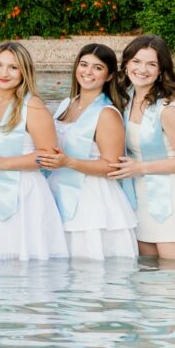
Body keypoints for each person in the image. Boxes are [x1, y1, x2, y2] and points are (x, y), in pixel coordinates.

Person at [0, 42, 67, 262]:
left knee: (21, 260)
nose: (4, 73)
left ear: (24, 72)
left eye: (13, 67)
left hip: (23, 192)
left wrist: (2, 162)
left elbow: (49, 156)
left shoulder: (33, 106)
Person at [112, 34, 175, 262]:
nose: (142, 69)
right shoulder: (124, 102)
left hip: (173, 201)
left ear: (161, 70)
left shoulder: (167, 109)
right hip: (138, 199)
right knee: (146, 277)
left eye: (151, 64)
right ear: (126, 65)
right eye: (136, 61)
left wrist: (140, 168)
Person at [47, 42, 136, 260]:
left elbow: (112, 166)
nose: (88, 72)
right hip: (57, 192)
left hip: (91, 200)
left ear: (109, 76)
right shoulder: (66, 104)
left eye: (97, 68)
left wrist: (69, 162)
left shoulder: (106, 113)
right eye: (84, 64)